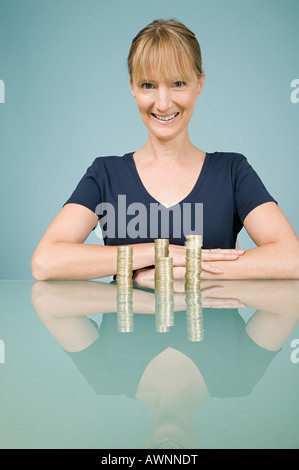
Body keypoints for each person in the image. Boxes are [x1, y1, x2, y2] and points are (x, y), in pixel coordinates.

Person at [31, 19, 299, 281]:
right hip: (126, 326)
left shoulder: (232, 171)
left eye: (178, 84)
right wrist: (160, 253)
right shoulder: (106, 174)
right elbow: (45, 262)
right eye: (148, 85)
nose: (162, 103)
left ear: (200, 84)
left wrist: (179, 272)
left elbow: (292, 258)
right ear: (132, 88)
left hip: (216, 327)